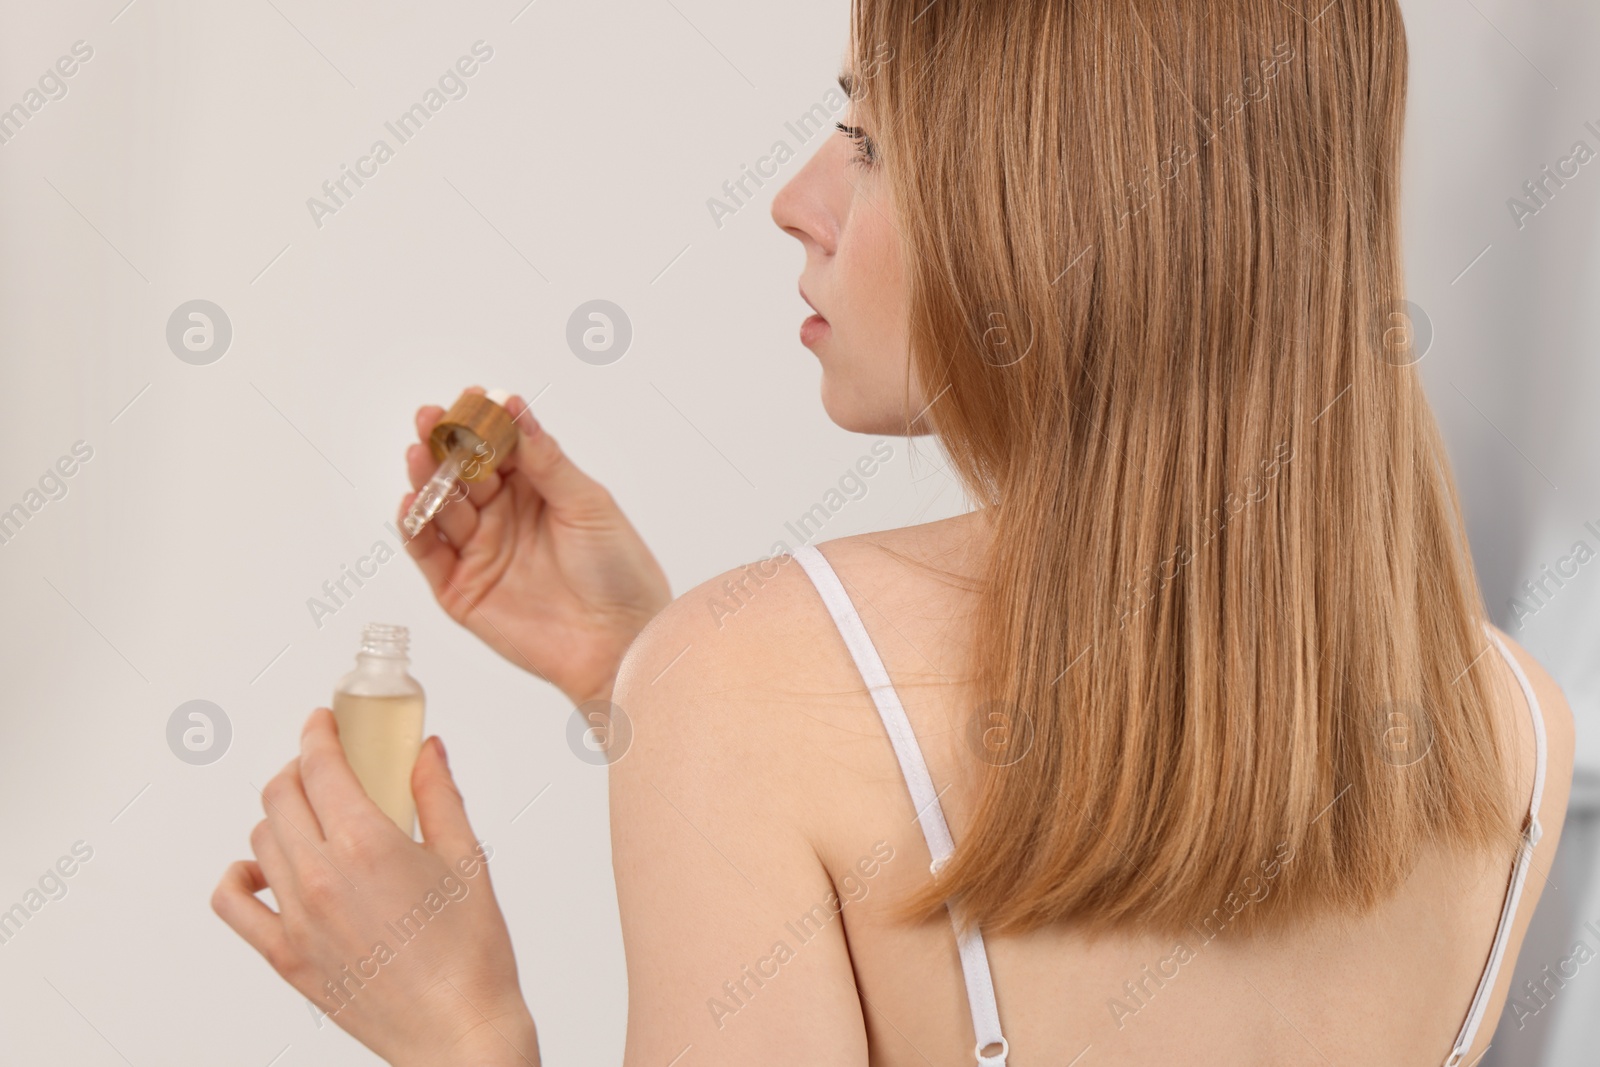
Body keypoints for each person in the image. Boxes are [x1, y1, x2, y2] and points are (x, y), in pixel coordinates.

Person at [212, 2, 1577, 1064]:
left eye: (867, 140)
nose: (798, 200)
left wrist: (461, 1034)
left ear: (1060, 214)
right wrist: (634, 669)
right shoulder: (1512, 723)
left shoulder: (744, 687)